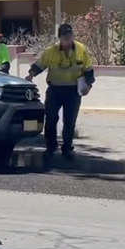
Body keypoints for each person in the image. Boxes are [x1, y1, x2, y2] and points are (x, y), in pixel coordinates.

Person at [26, 23, 96, 161]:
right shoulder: (50, 51)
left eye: (70, 34)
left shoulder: (81, 49)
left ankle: (67, 148)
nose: (68, 37)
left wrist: (88, 86)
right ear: (60, 37)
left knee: (69, 121)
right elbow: (39, 65)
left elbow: (88, 70)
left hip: (73, 91)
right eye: (65, 35)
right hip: (55, 90)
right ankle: (50, 147)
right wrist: (30, 75)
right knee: (51, 119)